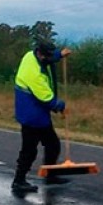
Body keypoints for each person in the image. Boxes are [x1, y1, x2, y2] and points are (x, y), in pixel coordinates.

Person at [11, 39, 73, 194]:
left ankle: (50, 175)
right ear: (40, 53)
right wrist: (61, 107)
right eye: (47, 56)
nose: (49, 59)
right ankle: (18, 181)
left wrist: (60, 54)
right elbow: (45, 97)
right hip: (31, 114)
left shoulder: (31, 55)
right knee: (29, 150)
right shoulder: (34, 72)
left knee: (52, 144)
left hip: (38, 113)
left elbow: (50, 58)